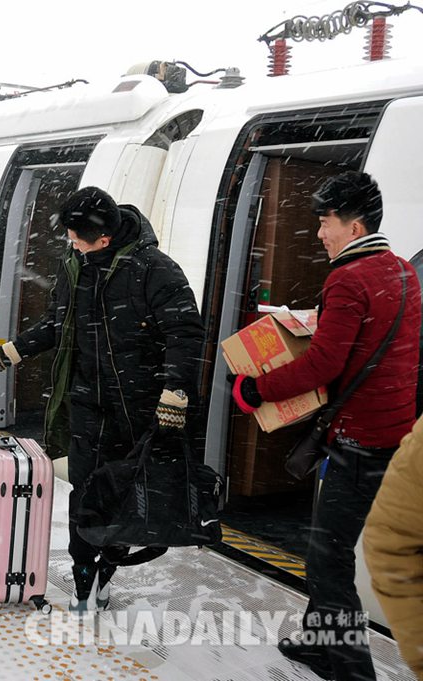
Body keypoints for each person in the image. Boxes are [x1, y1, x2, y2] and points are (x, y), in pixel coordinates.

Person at [231, 171, 421, 681]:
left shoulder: (348, 278)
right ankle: (319, 647)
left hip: (358, 442)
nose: (319, 234)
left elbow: (323, 365)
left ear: (354, 227)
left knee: (326, 561)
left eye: (325, 223)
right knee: (330, 543)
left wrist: (256, 389)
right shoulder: (402, 270)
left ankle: (353, 672)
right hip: (393, 437)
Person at [0, 186, 204, 612]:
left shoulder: (155, 270)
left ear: (104, 239)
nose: (71, 245)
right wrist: (13, 351)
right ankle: (84, 573)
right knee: (85, 493)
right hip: (86, 403)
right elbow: (56, 323)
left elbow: (185, 335)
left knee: (123, 496)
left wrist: (175, 393)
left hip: (138, 408)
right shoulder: (74, 266)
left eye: (77, 239)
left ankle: (108, 569)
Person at [363, 415, 423, 679]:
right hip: (363, 448)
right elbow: (391, 544)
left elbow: (390, 543)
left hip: (357, 448)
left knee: (329, 562)